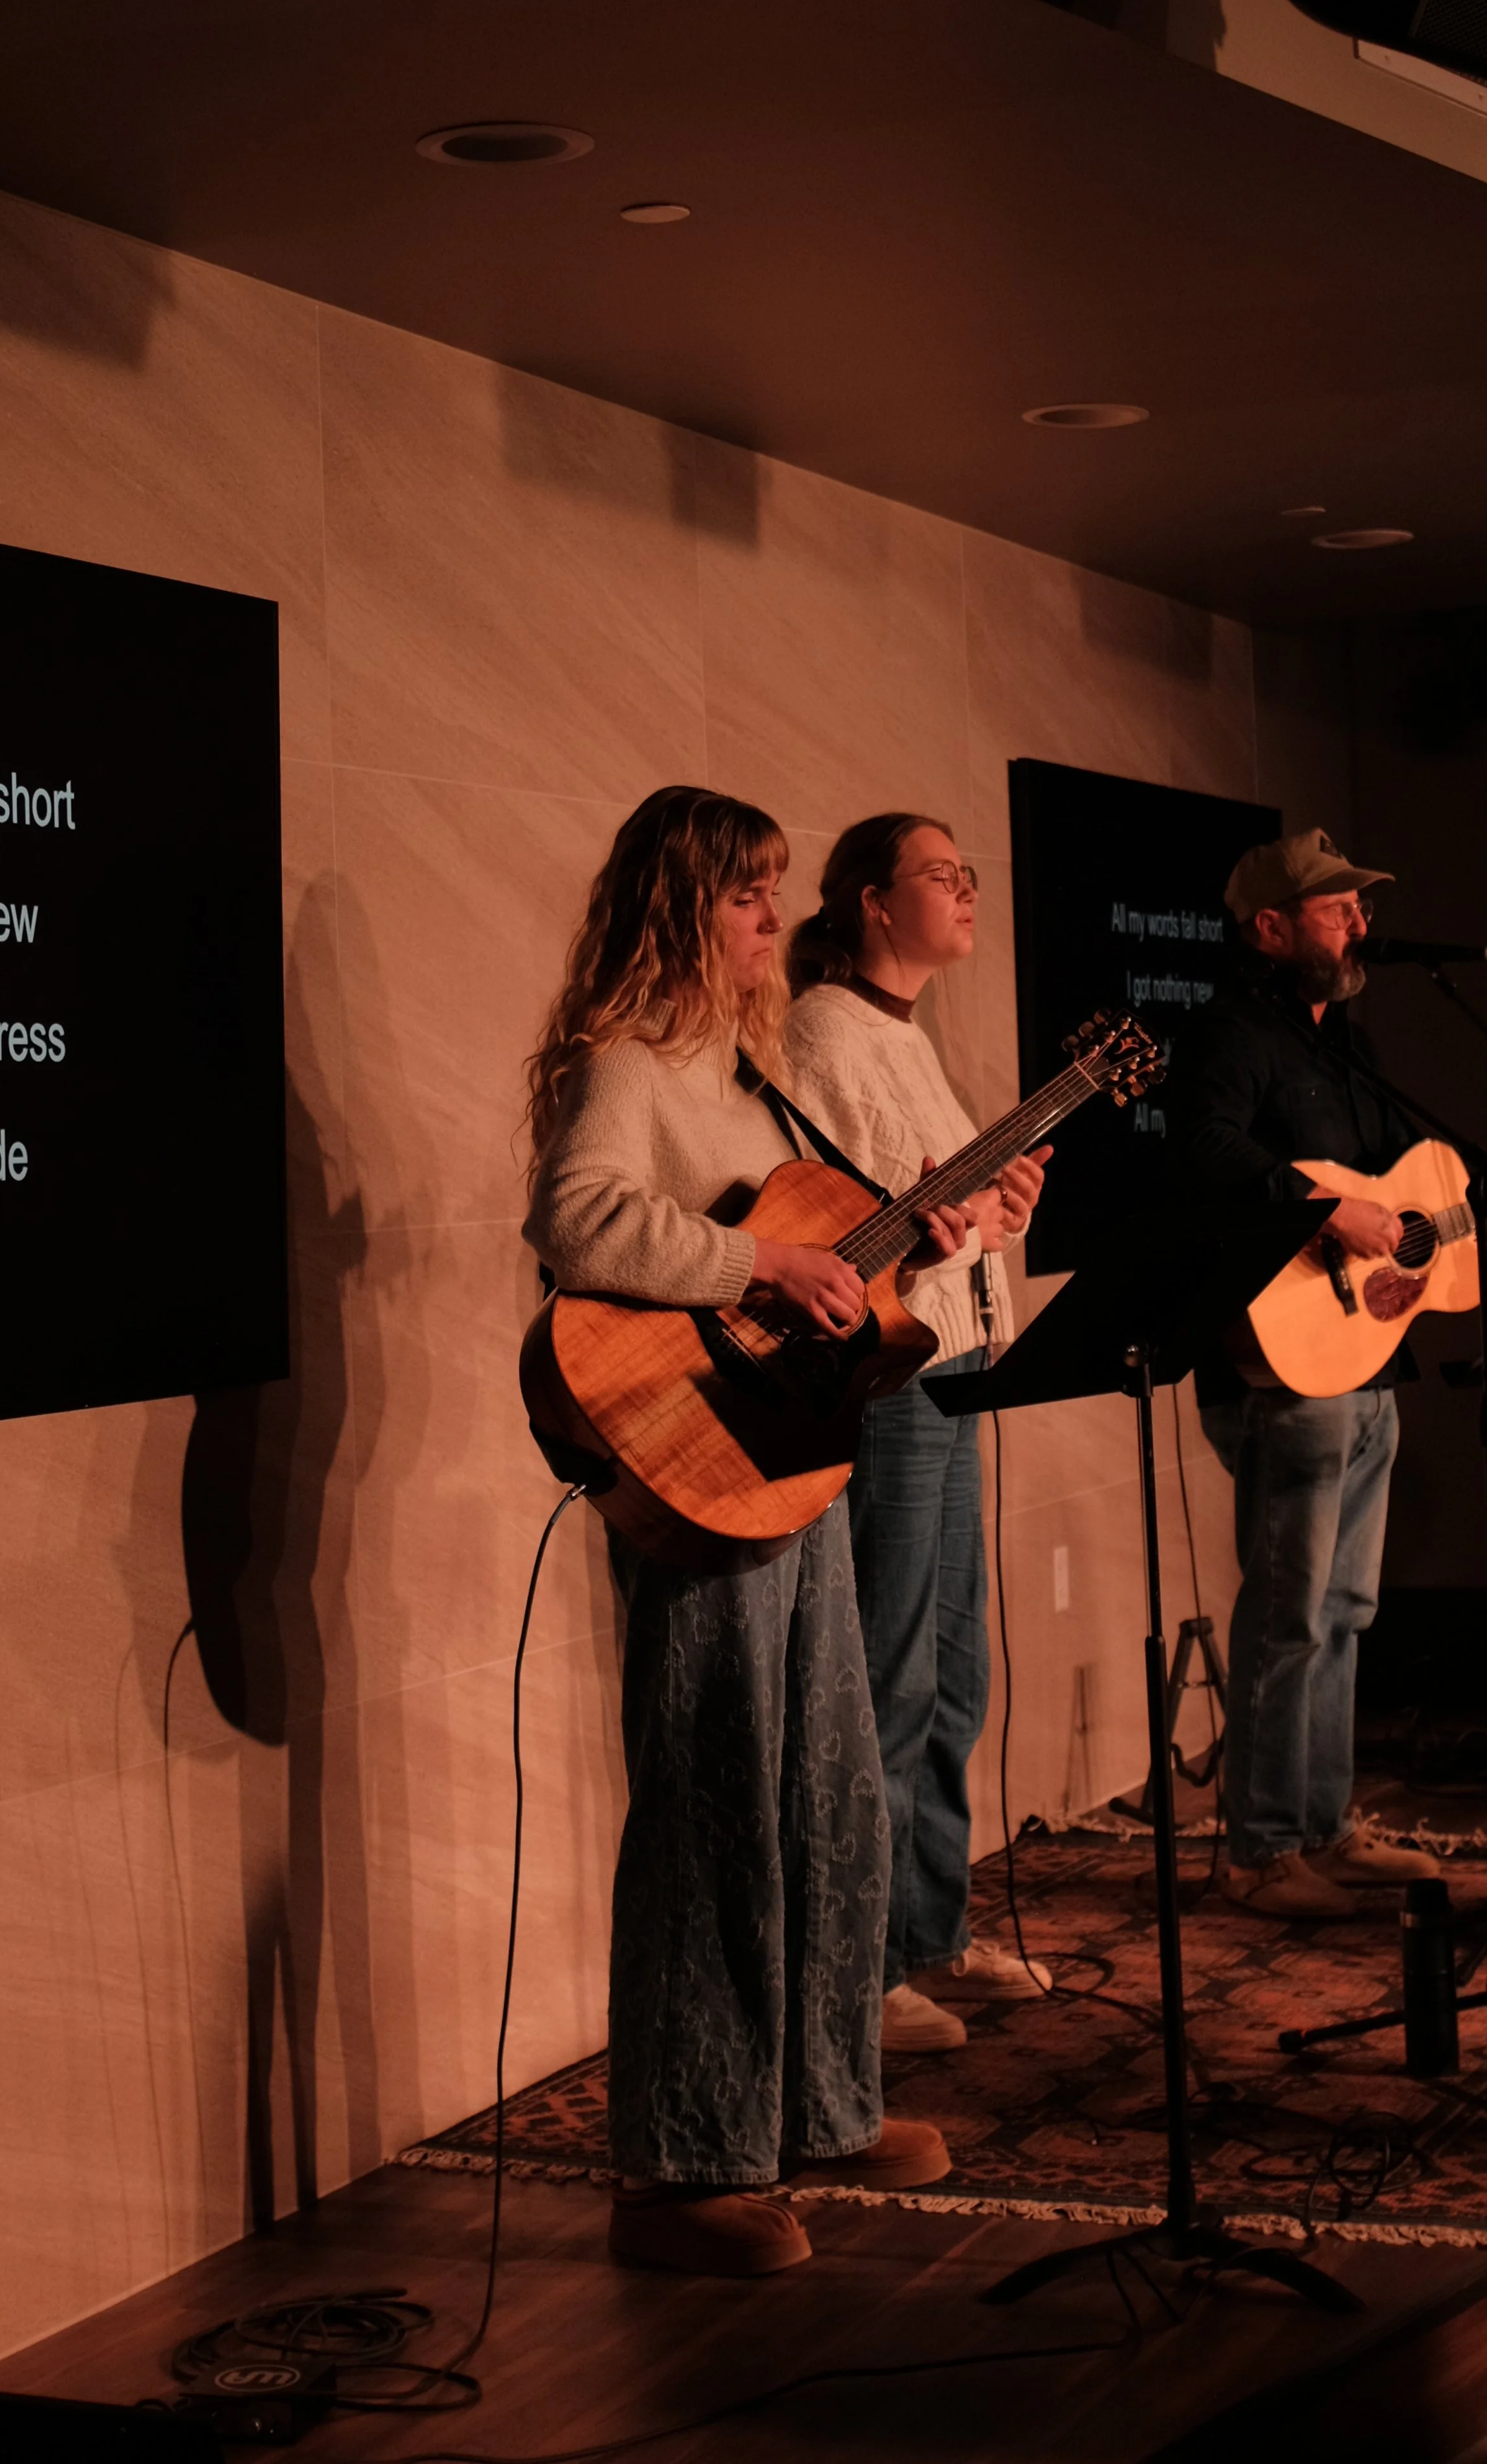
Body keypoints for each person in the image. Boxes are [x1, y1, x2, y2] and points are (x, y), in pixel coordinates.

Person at [522, 786, 963, 2277]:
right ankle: (682, 2162)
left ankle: (821, 2106)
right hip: (694, 1470)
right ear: (677, 907)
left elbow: (824, 1278)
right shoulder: (627, 1059)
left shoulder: (751, 1077)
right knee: (712, 1798)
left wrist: (898, 1248)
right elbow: (577, 1218)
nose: (775, 918)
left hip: (791, 1461)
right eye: (745, 893)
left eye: (775, 890)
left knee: (827, 1788)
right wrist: (755, 1256)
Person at [782, 815, 1051, 2055]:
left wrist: (1002, 1210)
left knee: (956, 1666)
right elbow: (851, 1226)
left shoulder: (908, 1033)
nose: (966, 890)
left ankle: (932, 1929)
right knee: (891, 1670)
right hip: (899, 1377)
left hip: (961, 1360)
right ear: (873, 903)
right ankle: (866, 1967)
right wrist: (950, 1221)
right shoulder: (822, 1031)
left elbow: (942, 1215)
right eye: (941, 874)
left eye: (968, 874)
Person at [1163, 827, 1442, 1918]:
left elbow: (1400, 1193)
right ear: (1270, 928)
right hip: (1282, 1373)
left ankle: (1323, 1826)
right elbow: (1203, 1148)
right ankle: (1261, 1849)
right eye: (1338, 909)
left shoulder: (1347, 1045)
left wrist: (1404, 1234)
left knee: (1347, 1607)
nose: (1360, 924)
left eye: (1361, 908)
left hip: (1364, 1361)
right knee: (1290, 1612)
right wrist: (1325, 1208)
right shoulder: (1230, 1033)